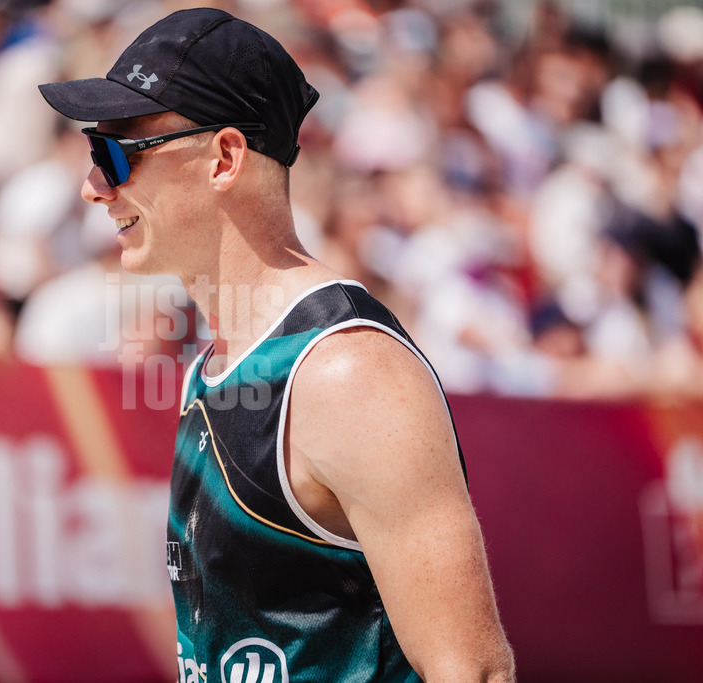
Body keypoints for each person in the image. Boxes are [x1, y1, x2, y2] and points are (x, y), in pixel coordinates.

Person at [39, 8, 515, 682]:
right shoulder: (215, 361)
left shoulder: (348, 370)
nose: (94, 186)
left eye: (117, 153)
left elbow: (473, 670)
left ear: (224, 158)